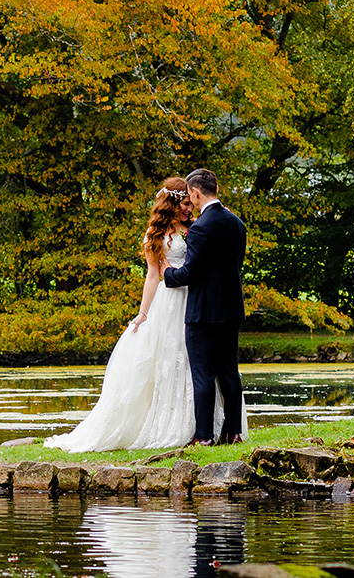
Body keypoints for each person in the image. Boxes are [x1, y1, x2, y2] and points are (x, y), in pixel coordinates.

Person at [43, 177, 199, 451]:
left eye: (190, 203)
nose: (189, 208)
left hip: (193, 298)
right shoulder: (156, 233)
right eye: (185, 203)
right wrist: (143, 313)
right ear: (173, 203)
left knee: (189, 361)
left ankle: (196, 422)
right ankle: (167, 423)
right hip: (169, 300)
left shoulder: (194, 228)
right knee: (168, 360)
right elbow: (152, 276)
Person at [161, 167, 247, 445]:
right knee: (229, 373)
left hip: (202, 313)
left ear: (196, 192)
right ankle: (234, 433)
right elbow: (234, 266)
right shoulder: (237, 223)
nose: (190, 200)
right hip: (231, 310)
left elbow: (190, 273)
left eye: (190, 195)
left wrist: (166, 273)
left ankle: (204, 437)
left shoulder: (200, 228)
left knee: (203, 375)